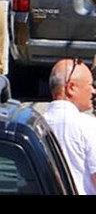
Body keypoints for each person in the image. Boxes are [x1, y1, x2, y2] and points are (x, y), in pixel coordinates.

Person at [43, 58, 96, 194]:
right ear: (71, 88)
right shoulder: (89, 126)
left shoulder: (36, 124)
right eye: (90, 85)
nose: (93, 91)